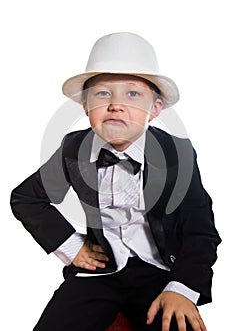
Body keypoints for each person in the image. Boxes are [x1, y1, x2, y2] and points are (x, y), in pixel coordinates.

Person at [10, 32, 221, 331]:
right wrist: (72, 247)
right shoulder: (74, 150)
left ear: (155, 108)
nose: (116, 105)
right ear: (86, 108)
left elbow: (201, 231)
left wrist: (182, 288)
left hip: (159, 271)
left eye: (132, 94)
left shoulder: (177, 154)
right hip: (100, 272)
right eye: (102, 94)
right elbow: (27, 199)